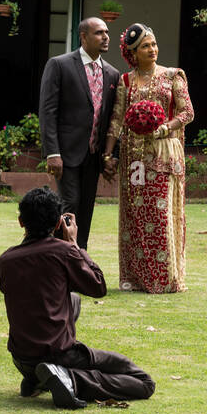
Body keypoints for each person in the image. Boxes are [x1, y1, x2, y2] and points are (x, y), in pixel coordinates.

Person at [0, 187, 155, 408]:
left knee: (73, 299)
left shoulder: (5, 260)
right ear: (58, 224)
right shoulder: (65, 252)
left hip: (21, 359)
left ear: (21, 221)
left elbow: (33, 292)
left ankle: (35, 380)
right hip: (59, 355)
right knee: (144, 382)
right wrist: (74, 244)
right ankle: (69, 378)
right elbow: (98, 286)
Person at [102, 23, 194, 293]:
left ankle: (164, 278)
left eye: (153, 44)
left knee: (160, 212)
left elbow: (187, 112)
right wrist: (108, 153)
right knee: (135, 212)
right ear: (132, 53)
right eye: (145, 46)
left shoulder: (173, 75)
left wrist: (167, 127)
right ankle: (135, 277)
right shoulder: (126, 81)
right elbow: (117, 119)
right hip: (134, 157)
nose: (152, 49)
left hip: (163, 153)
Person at [38, 17, 120, 251]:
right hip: (66, 153)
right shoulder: (60, 65)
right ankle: (60, 258)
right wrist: (52, 152)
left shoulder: (112, 74)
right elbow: (48, 111)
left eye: (106, 32)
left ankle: (79, 257)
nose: (105, 37)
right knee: (69, 205)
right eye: (98, 33)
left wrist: (111, 155)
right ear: (83, 37)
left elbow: (115, 119)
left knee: (86, 208)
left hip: (93, 157)